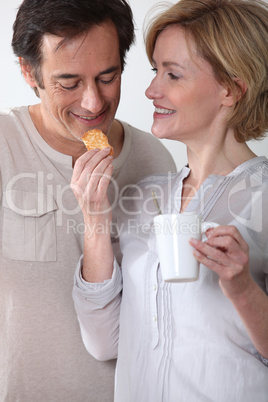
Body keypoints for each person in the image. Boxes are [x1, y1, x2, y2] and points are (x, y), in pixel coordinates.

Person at [72, 0, 268, 401]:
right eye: (154, 70)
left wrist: (242, 287)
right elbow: (103, 343)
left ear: (231, 89)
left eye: (172, 74)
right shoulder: (144, 196)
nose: (150, 90)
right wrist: (94, 219)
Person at [0, 0, 176, 400]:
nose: (94, 104)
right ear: (30, 72)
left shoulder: (155, 160)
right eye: (68, 82)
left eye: (108, 76)